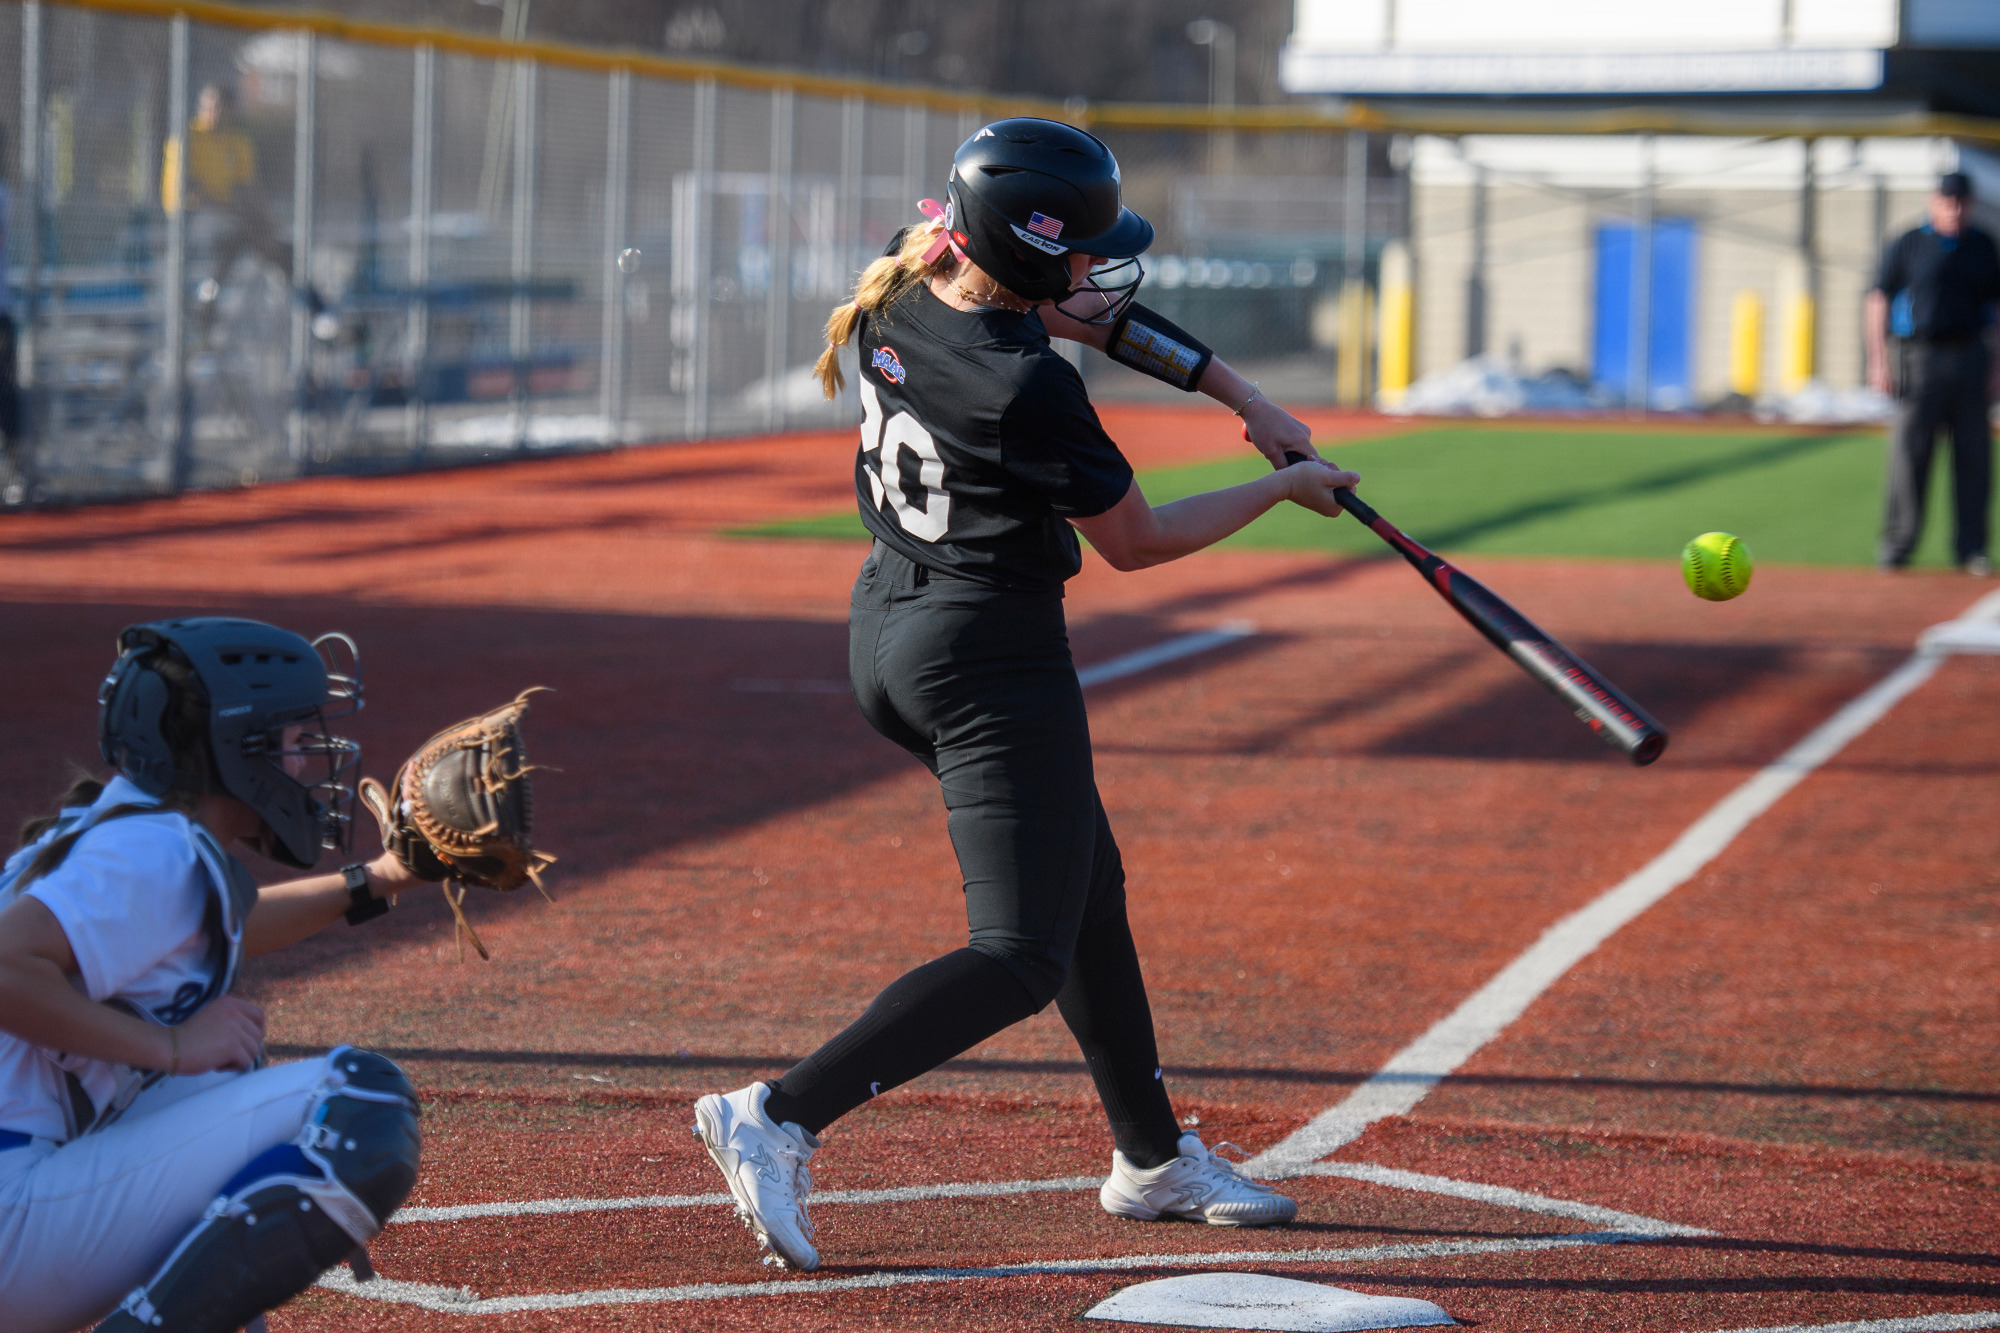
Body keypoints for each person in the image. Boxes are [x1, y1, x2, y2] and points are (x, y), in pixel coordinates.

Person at [691, 118, 1360, 1273]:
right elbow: (1137, 544)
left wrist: (1237, 395)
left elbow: (1077, 311)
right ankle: (780, 1113)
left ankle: (1150, 1158)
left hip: (892, 628)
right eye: (1080, 256)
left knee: (1083, 885)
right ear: (1027, 253)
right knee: (1017, 952)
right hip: (990, 658)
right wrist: (1282, 485)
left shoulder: (919, 275)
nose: (1097, 276)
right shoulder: (1024, 386)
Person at [0, 617, 423, 1333]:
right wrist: (172, 1048)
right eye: (292, 740)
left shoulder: (127, 834)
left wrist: (382, 878)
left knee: (215, 1084)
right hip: (14, 1218)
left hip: (24, 1205)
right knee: (359, 1100)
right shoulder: (151, 849)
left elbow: (211, 929)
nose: (305, 760)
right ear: (238, 748)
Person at [1866, 170, 2000, 576]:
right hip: (1919, 359)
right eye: (1947, 200)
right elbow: (1878, 299)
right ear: (1933, 202)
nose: (1954, 208)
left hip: (1971, 358)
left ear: (1970, 204)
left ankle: (1971, 548)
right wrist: (1877, 359)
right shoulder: (1909, 242)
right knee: (1910, 455)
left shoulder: (1982, 245)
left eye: (1960, 201)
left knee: (1974, 457)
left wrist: (1998, 367)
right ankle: (1898, 544)